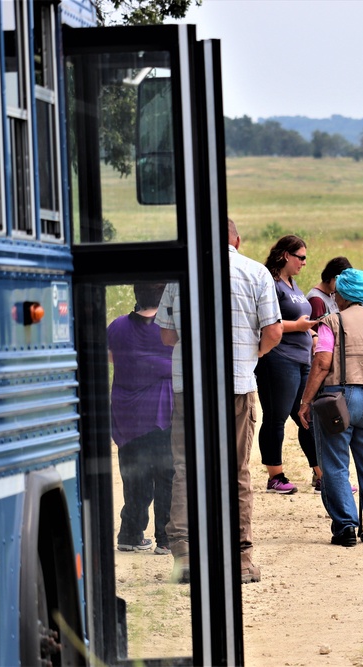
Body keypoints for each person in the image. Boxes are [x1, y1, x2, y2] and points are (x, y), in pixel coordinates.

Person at [157, 219, 282, 585]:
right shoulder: (255, 272)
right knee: (237, 471)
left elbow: (166, 336)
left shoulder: (180, 275)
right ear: (237, 240)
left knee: (186, 468)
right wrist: (249, 356)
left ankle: (184, 557)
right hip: (237, 385)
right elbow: (274, 331)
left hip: (189, 387)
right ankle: (240, 559)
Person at [298, 269, 363, 547]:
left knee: (335, 464)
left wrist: (305, 401)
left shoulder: (331, 321)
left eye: (337, 292)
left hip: (341, 399)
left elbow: (322, 362)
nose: (334, 296)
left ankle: (346, 527)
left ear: (342, 294)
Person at [108, 282, 175, 556]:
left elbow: (112, 357)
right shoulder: (169, 329)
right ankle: (166, 538)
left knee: (134, 475)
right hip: (162, 412)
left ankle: (130, 534)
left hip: (127, 414)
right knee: (167, 475)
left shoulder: (116, 326)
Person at [255, 235, 315, 495]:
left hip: (302, 359)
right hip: (278, 359)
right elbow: (267, 321)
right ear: (285, 256)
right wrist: (298, 327)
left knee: (307, 417)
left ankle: (321, 473)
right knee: (276, 417)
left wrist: (310, 333)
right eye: (300, 257)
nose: (304, 262)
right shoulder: (270, 282)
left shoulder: (293, 283)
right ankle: (275, 476)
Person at [305, 256, 353, 492]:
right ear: (333, 278)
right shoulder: (317, 299)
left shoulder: (330, 297)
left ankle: (325, 475)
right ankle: (324, 475)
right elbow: (317, 336)